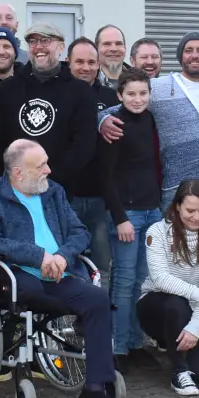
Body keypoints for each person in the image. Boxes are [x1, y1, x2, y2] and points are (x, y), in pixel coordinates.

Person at [0, 140, 128, 398]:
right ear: (18, 173)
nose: (49, 169)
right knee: (35, 291)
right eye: (41, 165)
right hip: (18, 276)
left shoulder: (54, 192)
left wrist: (63, 257)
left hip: (60, 274)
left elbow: (80, 232)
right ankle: (77, 326)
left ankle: (94, 391)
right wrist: (38, 256)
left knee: (97, 299)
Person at [104, 32, 199, 226]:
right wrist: (102, 119)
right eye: (188, 50)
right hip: (176, 188)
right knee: (175, 253)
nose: (195, 55)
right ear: (180, 56)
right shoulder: (160, 87)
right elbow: (124, 104)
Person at [0, 22, 98, 192]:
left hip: (61, 191)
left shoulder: (80, 91)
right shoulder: (8, 89)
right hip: (15, 190)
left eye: (45, 40)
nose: (38, 47)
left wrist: (46, 178)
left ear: (61, 46)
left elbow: (83, 146)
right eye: (33, 42)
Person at [99, 68, 164, 371]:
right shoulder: (115, 125)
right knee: (123, 282)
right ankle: (118, 346)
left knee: (142, 281)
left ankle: (136, 343)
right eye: (131, 94)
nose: (138, 99)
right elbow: (107, 177)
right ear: (119, 96)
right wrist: (120, 217)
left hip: (153, 211)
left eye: (143, 93)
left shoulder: (151, 120)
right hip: (128, 215)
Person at [138, 179, 199, 396]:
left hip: (196, 308)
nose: (196, 217)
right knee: (175, 304)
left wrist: (196, 326)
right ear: (177, 206)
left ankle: (184, 347)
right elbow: (160, 278)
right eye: (190, 210)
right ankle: (178, 371)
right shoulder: (157, 231)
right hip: (156, 304)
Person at [63, 36, 119, 278]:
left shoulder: (110, 97)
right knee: (67, 262)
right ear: (68, 62)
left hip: (100, 198)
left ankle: (101, 314)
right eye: (79, 62)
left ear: (99, 64)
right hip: (66, 195)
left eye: (91, 62)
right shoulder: (58, 94)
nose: (85, 67)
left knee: (102, 265)